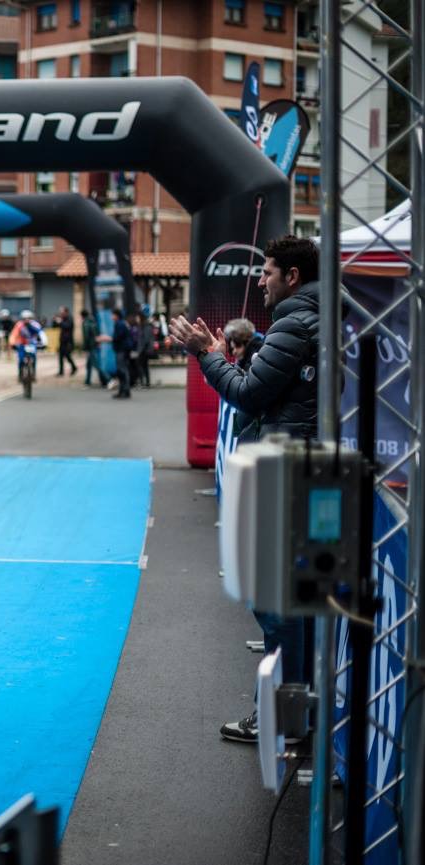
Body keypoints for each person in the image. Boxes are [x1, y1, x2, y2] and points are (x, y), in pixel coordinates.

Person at [168, 235, 320, 744]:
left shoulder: (295, 322)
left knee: (277, 603)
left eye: (268, 271)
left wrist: (205, 355)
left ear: (292, 277)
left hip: (285, 472)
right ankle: (295, 715)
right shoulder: (313, 318)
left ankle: (283, 719)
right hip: (303, 470)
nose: (260, 281)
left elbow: (248, 394)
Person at [99, 308, 132, 399]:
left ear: (116, 315)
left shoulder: (120, 324)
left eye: (113, 315)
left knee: (122, 371)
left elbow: (118, 338)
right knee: (121, 371)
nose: (111, 317)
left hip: (122, 350)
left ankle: (125, 391)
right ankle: (122, 391)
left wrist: (107, 338)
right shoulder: (120, 323)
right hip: (121, 350)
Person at [8, 310, 45, 381]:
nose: (27, 320)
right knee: (21, 359)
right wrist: (12, 343)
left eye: (28, 318)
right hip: (22, 344)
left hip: (32, 344)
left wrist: (43, 343)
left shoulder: (35, 324)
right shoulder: (19, 325)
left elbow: (41, 334)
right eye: (25, 318)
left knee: (33, 358)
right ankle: (20, 374)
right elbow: (13, 334)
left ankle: (33, 373)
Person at [81, 309, 109, 388]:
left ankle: (109, 379)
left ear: (82, 316)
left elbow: (86, 336)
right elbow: (97, 333)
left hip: (91, 346)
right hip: (95, 345)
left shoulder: (86, 323)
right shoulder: (93, 321)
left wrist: (85, 348)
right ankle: (87, 381)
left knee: (96, 365)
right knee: (89, 365)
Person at [52, 306, 77, 376]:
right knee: (60, 357)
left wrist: (60, 322)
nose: (61, 314)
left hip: (68, 341)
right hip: (62, 341)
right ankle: (61, 372)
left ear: (66, 312)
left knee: (67, 356)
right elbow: (55, 326)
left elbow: (67, 326)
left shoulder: (69, 318)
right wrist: (54, 320)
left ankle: (74, 367)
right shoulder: (62, 319)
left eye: (62, 312)